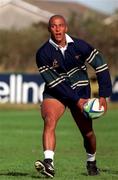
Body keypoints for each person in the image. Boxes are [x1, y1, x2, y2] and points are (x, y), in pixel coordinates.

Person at [35, 15, 112, 178]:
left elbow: (101, 65)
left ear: (66, 28)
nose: (57, 29)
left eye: (60, 25)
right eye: (54, 26)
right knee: (49, 119)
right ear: (49, 29)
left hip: (81, 91)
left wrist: (103, 96)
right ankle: (49, 162)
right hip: (56, 92)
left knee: (88, 133)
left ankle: (91, 162)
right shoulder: (42, 53)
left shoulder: (80, 46)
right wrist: (77, 101)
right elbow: (55, 83)